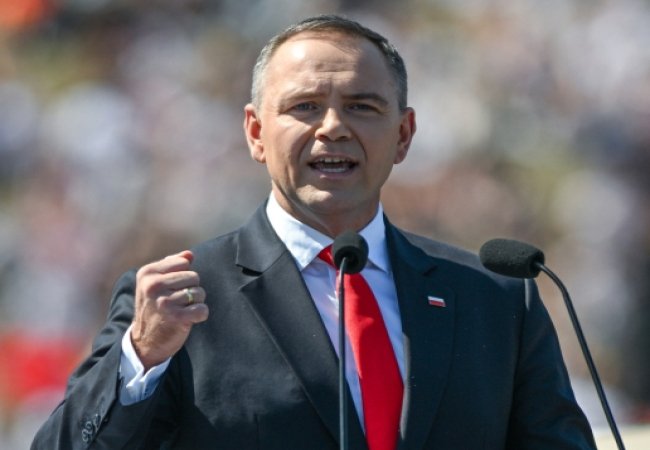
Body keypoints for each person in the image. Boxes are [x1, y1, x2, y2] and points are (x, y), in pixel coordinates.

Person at [32, 14, 596, 450]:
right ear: (256, 133)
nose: (333, 127)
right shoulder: (182, 299)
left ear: (404, 135)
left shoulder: (496, 298)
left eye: (362, 106)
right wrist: (141, 359)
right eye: (304, 106)